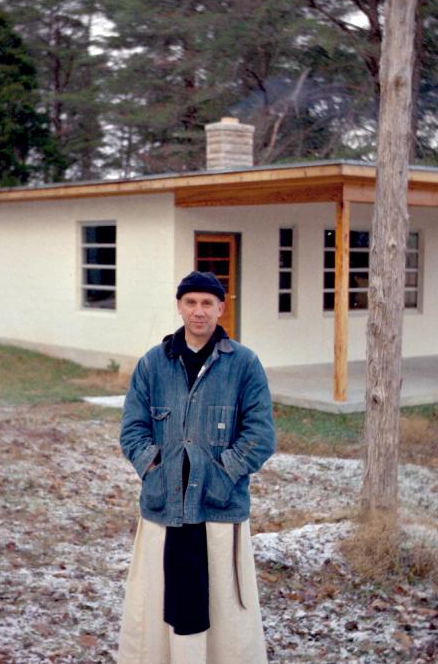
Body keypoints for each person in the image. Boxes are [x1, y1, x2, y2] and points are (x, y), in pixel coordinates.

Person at [116, 271, 276, 664]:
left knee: (221, 610)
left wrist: (220, 477)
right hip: (163, 508)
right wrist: (154, 467)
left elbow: (260, 435)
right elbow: (132, 430)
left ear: (221, 308)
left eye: (208, 303)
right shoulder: (153, 364)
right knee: (160, 603)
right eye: (191, 302)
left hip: (218, 510)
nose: (199, 311)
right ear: (180, 306)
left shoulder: (244, 365)